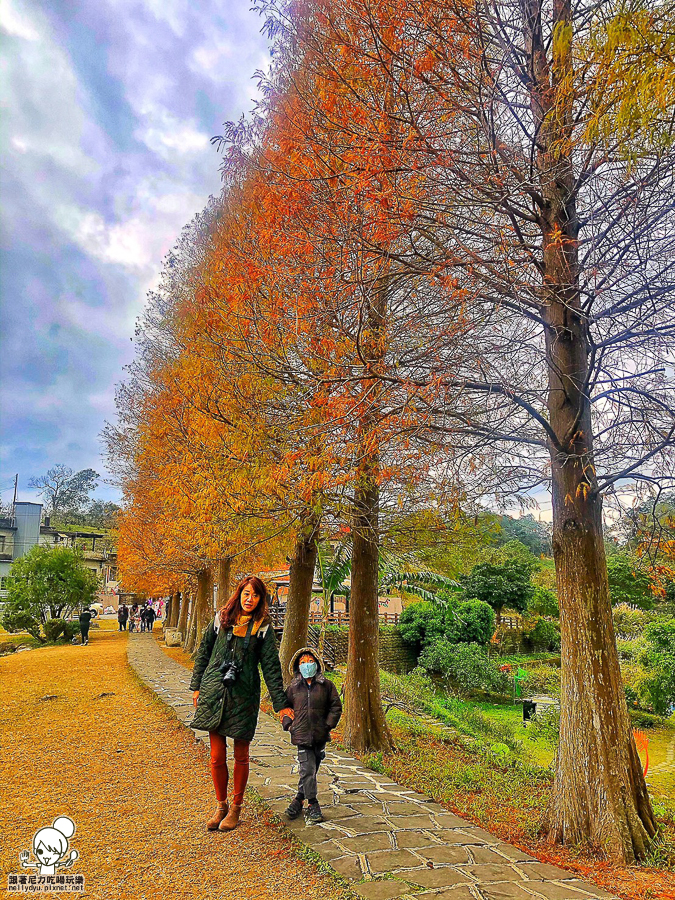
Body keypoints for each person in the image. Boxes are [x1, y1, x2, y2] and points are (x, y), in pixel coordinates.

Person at [190, 575, 288, 832]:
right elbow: (203, 651)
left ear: (261, 599)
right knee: (216, 755)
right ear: (239, 593)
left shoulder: (263, 626)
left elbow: (270, 666)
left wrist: (281, 704)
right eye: (246, 594)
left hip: (244, 694)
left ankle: (236, 808)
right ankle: (220, 805)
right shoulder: (221, 618)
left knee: (241, 755)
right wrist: (197, 686)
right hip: (215, 690)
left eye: (255, 595)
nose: (250, 599)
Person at [279, 648, 342, 825]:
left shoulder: (327, 685)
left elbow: (336, 707)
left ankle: (298, 799)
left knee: (311, 771)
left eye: (310, 660)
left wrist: (328, 724)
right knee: (307, 770)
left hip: (320, 735)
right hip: (301, 735)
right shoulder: (293, 688)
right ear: (298, 666)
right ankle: (313, 804)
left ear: (316, 663)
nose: (307, 664)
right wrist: (289, 725)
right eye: (303, 662)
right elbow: (285, 709)